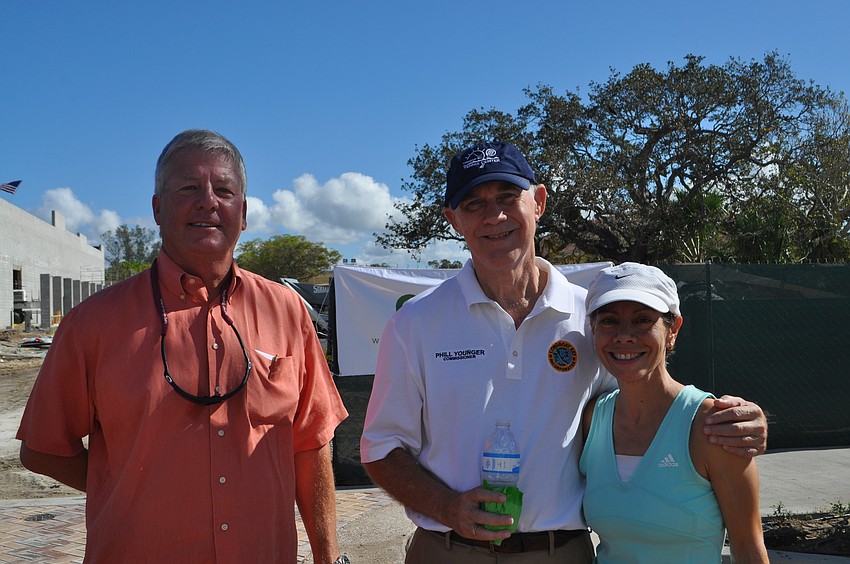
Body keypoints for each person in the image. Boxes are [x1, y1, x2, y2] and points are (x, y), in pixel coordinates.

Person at [360, 141, 767, 563]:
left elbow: (646, 404)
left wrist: (736, 421)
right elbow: (381, 449)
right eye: (473, 203)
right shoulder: (415, 324)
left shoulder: (592, 317)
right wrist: (447, 507)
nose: (494, 216)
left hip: (560, 552)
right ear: (453, 220)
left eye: (506, 197)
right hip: (447, 550)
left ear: (538, 202)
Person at [17, 129, 350, 564]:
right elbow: (43, 449)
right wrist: (126, 484)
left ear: (243, 213)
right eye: (189, 187)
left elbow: (311, 442)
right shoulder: (92, 323)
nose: (208, 201)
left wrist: (328, 557)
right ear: (157, 208)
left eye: (224, 190)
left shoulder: (286, 311)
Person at [579, 263, 769, 563]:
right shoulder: (592, 420)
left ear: (673, 330)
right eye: (609, 321)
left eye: (642, 320)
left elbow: (748, 549)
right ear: (593, 329)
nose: (624, 336)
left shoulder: (714, 425)